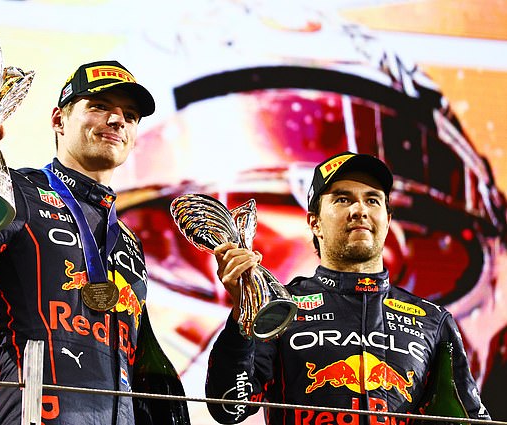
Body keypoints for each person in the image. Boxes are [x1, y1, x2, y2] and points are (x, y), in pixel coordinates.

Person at [0, 60, 157, 424]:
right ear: (58, 119)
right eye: (99, 107)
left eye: (129, 115)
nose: (117, 120)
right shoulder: (16, 192)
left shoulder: (129, 239)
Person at [204, 151, 491, 424]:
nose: (360, 210)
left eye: (373, 200)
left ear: (388, 220)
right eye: (342, 199)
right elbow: (230, 407)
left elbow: (470, 420)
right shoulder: (281, 306)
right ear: (314, 223)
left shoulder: (433, 321)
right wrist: (243, 315)